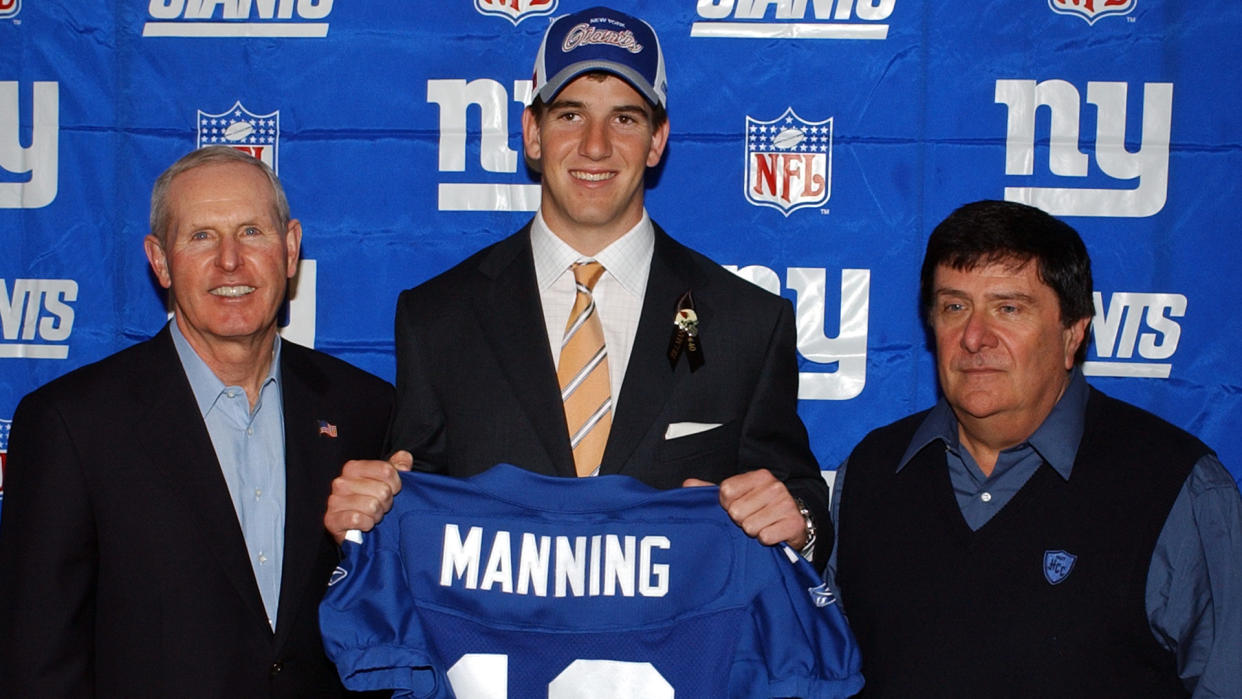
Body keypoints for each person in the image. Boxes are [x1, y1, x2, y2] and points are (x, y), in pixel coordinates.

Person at [323, 6, 828, 565]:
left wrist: (797, 522)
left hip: (682, 649)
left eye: (625, 119)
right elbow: (410, 506)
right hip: (494, 648)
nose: (594, 145)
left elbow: (799, 496)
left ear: (658, 140)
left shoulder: (748, 323)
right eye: (569, 115)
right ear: (531, 133)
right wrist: (372, 513)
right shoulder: (438, 318)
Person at [0, 146, 394, 697]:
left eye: (252, 232)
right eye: (202, 236)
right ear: (160, 261)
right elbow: (38, 663)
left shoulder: (366, 410)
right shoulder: (71, 424)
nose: (230, 261)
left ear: (290, 248)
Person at [830, 200, 1242, 697]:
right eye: (954, 307)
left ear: (1073, 333)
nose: (975, 337)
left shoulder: (1180, 489)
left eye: (1008, 308)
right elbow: (829, 669)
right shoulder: (871, 472)